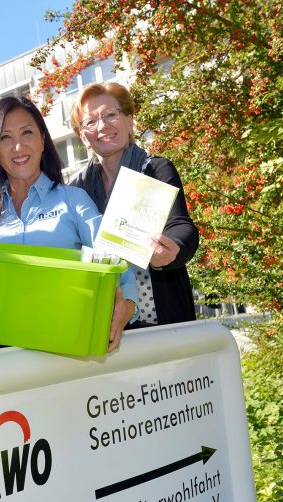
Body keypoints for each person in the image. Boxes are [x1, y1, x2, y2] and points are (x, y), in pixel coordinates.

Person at [0, 96, 139, 352]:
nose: (18, 146)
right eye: (5, 138)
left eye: (27, 133)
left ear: (42, 140)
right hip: (3, 358)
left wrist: (127, 308)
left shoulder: (74, 200)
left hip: (69, 350)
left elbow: (117, 263)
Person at [70, 82, 199, 326]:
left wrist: (174, 249)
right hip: (105, 318)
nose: (103, 126)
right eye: (90, 121)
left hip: (161, 314)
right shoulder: (76, 190)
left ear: (129, 121)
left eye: (111, 115)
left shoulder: (155, 169)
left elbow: (181, 226)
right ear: (82, 136)